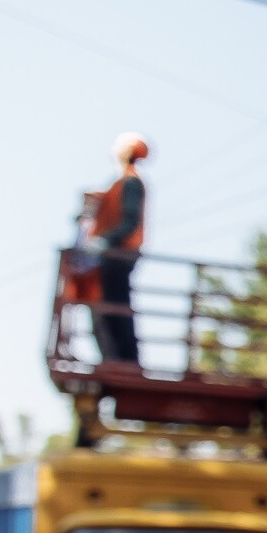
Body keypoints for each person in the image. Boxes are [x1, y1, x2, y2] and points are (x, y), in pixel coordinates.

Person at [86, 132, 149, 367]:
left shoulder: (130, 182)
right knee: (108, 307)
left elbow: (129, 221)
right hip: (113, 254)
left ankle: (124, 361)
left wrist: (105, 241)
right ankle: (117, 358)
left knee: (114, 307)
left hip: (117, 256)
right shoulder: (122, 183)